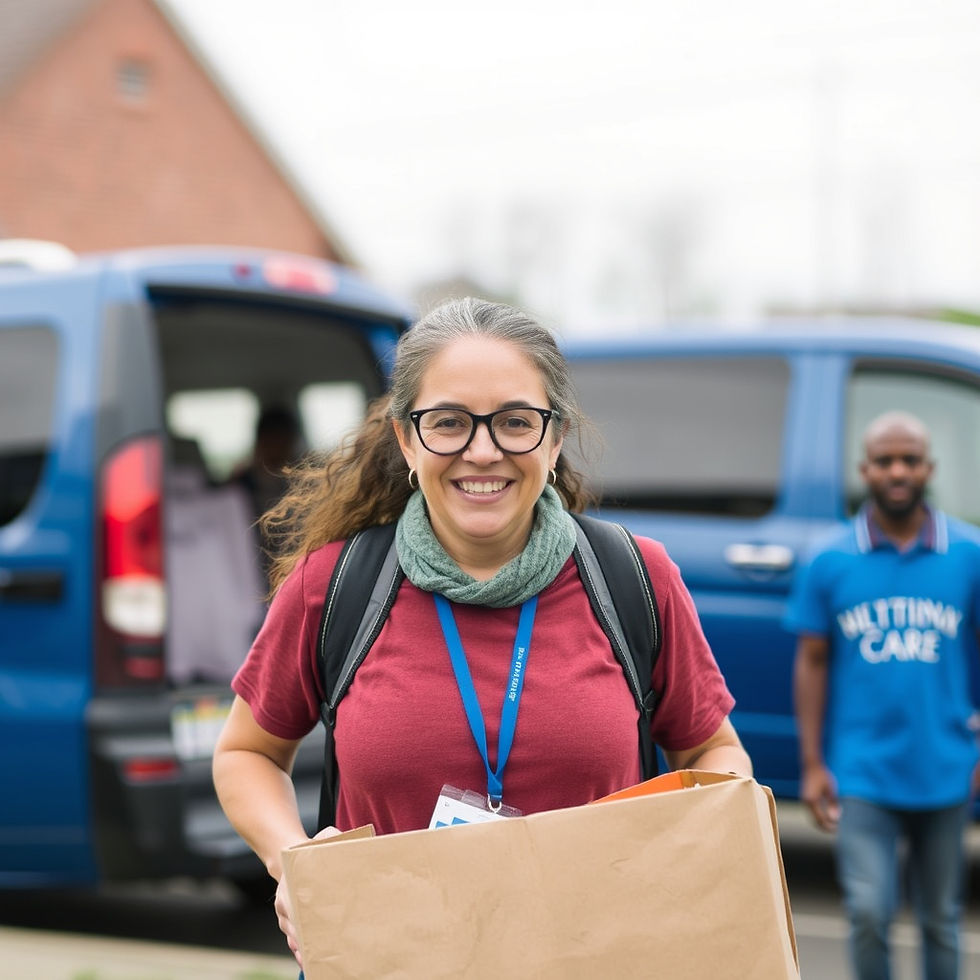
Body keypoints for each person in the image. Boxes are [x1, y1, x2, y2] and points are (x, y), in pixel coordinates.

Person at [212, 297, 752, 971]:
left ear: (554, 439)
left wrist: (680, 850)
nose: (483, 450)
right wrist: (290, 858)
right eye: (449, 423)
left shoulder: (634, 580)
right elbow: (246, 755)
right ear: (408, 440)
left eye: (515, 422)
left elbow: (715, 754)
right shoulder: (336, 586)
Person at [785, 410, 980, 980]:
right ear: (865, 469)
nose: (898, 471)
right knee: (869, 912)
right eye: (886, 460)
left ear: (929, 469)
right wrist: (813, 762)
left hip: (944, 766)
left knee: (941, 918)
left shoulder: (967, 554)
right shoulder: (830, 558)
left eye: (910, 460)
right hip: (862, 768)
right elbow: (812, 660)